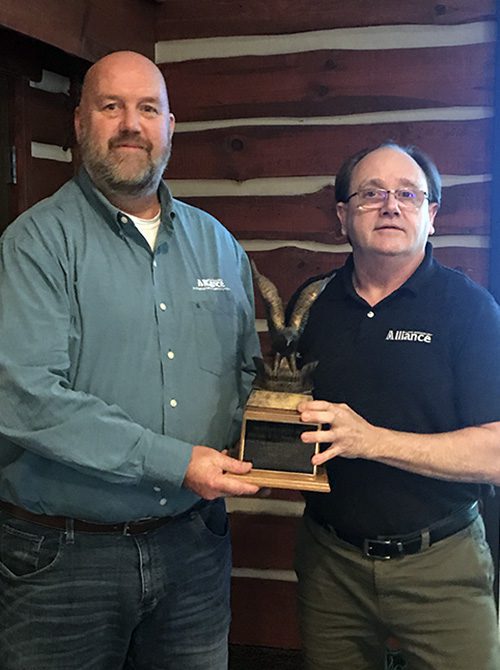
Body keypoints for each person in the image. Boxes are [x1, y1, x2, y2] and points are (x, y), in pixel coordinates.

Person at [0, 50, 261, 670]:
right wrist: (176, 462)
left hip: (195, 546)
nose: (130, 125)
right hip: (66, 559)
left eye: (147, 108)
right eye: (110, 106)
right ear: (80, 122)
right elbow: (24, 396)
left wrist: (279, 434)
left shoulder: (218, 245)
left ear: (169, 126)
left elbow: (245, 374)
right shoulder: (35, 244)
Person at [294, 141, 500, 670]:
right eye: (372, 193)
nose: (390, 205)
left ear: (431, 216)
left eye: (408, 194)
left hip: (442, 565)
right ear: (343, 216)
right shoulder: (311, 304)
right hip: (329, 563)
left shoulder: (471, 310)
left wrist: (371, 441)